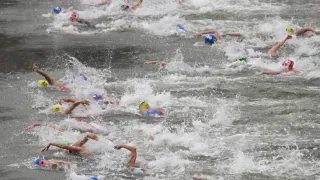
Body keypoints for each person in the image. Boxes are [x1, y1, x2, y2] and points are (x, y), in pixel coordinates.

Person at [26, 120, 108, 134]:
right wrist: (35, 124)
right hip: (90, 127)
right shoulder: (64, 127)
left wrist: (35, 124)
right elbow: (48, 125)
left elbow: (49, 125)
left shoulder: (63, 127)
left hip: (90, 127)